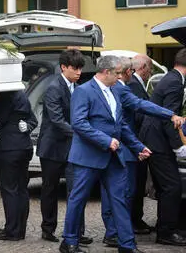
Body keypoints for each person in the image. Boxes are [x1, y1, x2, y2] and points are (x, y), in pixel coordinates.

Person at [60, 55, 151, 253]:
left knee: (119, 200)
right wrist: (106, 140)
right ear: (106, 72)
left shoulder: (115, 91)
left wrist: (137, 146)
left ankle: (127, 245)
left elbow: (121, 126)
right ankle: (69, 241)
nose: (120, 77)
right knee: (78, 199)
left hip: (113, 157)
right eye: (117, 73)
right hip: (88, 157)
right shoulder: (83, 91)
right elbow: (79, 123)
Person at [100, 57, 182, 247]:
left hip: (114, 146)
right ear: (126, 72)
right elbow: (141, 107)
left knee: (111, 192)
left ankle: (113, 231)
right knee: (124, 192)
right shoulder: (120, 88)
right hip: (124, 147)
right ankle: (115, 232)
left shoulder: (106, 88)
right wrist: (170, 114)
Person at [36, 49, 91, 244]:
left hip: (72, 147)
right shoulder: (53, 87)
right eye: (75, 69)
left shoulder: (79, 87)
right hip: (52, 147)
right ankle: (48, 229)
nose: (78, 72)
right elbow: (57, 120)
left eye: (80, 69)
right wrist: (82, 134)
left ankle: (77, 231)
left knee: (76, 189)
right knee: (50, 190)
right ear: (63, 67)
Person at [139, 48, 186, 246]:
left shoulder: (171, 78)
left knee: (166, 187)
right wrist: (178, 147)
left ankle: (164, 227)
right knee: (172, 187)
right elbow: (169, 117)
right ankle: (166, 232)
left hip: (154, 139)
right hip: (157, 142)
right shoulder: (175, 82)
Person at [0, 90, 38, 241]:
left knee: (10, 190)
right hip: (24, 147)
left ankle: (12, 230)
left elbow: (0, 118)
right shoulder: (22, 94)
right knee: (21, 190)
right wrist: (28, 126)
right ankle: (20, 229)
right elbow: (33, 119)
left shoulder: (5, 96)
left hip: (8, 148)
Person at [128, 54, 154, 233]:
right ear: (143, 67)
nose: (151, 72)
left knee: (139, 182)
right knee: (136, 183)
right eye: (150, 68)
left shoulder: (137, 84)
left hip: (138, 141)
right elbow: (137, 113)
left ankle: (137, 219)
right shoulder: (133, 85)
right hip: (136, 142)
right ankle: (135, 220)